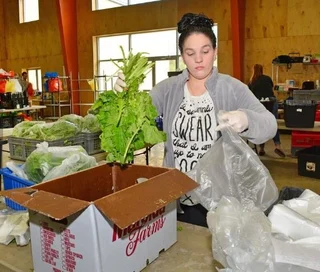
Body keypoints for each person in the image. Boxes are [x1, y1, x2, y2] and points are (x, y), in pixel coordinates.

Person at [115, 13, 277, 227]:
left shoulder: (232, 88)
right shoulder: (168, 89)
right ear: (182, 56)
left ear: (215, 52)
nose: (198, 59)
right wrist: (124, 97)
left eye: (205, 51)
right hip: (176, 197)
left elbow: (270, 125)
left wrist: (246, 119)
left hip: (218, 201)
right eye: (190, 53)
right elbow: (134, 121)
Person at [248, 64, 286, 158]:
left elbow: (250, 96)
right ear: (262, 70)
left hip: (260, 105)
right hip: (271, 102)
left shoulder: (251, 81)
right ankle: (278, 146)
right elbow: (271, 88)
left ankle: (261, 148)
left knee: (262, 125)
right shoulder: (267, 78)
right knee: (273, 124)